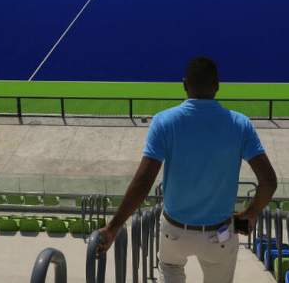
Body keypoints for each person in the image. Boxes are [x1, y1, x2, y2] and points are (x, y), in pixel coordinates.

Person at [97, 57, 277, 283]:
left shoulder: (164, 122)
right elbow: (269, 182)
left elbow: (143, 182)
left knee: (170, 268)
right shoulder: (240, 124)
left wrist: (113, 227)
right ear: (217, 85)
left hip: (174, 232)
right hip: (219, 235)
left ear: (184, 85)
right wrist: (250, 213)